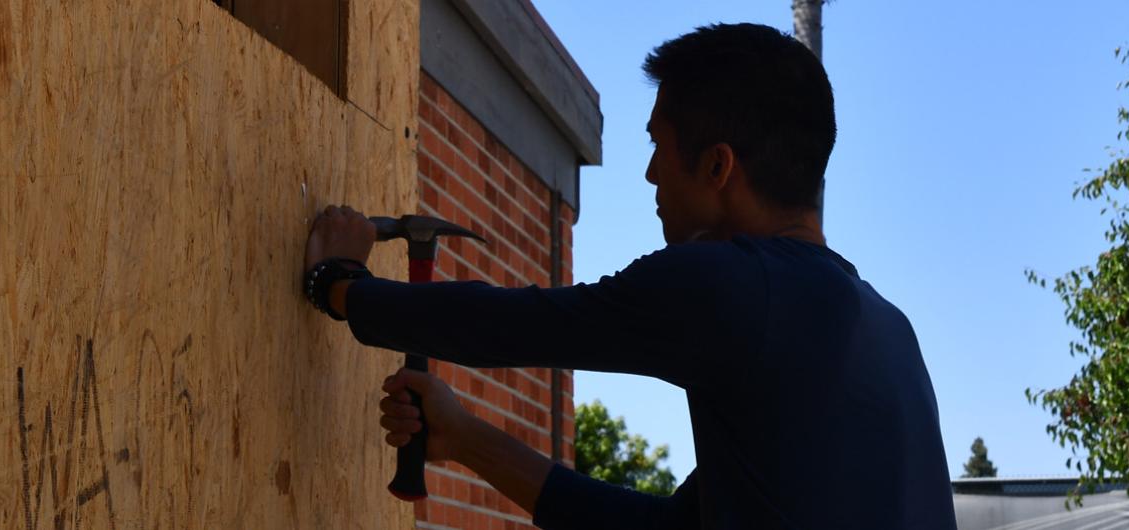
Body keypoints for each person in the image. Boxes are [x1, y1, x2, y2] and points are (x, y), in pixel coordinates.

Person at [303, 23, 954, 529]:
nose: (649, 176)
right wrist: (468, 439)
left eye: (657, 146)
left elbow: (516, 324)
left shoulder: (731, 287)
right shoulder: (888, 334)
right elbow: (671, 529)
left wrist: (342, 284)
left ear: (718, 167)